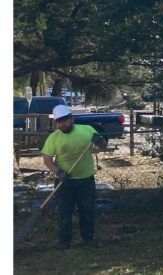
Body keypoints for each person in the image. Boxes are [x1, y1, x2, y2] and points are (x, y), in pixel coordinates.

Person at [41, 104, 107, 249]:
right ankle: (64, 242)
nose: (63, 124)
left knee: (87, 210)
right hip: (64, 181)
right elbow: (47, 159)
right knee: (65, 212)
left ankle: (88, 240)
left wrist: (100, 141)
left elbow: (103, 146)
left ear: (71, 119)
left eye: (65, 120)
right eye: (60, 121)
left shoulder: (87, 130)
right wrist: (58, 171)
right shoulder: (54, 138)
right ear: (56, 122)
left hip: (85, 179)